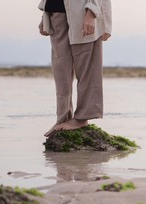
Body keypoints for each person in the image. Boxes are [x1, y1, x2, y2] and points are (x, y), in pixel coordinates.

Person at [38, 0, 112, 137]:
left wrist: (91, 13)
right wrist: (45, 14)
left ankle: (82, 118)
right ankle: (62, 118)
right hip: (56, 12)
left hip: (82, 12)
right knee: (61, 71)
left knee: (87, 69)